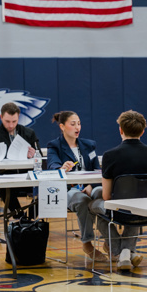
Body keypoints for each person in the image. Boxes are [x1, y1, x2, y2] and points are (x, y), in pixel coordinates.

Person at [92, 110, 147, 270]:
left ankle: (120, 251)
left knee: (93, 205)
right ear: (143, 131)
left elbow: (107, 196)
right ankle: (128, 251)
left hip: (120, 212)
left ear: (121, 130)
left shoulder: (110, 155)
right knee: (136, 201)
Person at [46, 111, 108, 262]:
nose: (77, 127)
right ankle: (87, 243)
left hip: (89, 187)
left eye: (79, 123)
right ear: (62, 126)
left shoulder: (89, 145)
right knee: (81, 200)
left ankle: (109, 240)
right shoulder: (54, 146)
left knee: (102, 193)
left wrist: (90, 185)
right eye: (72, 124)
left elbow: (96, 170)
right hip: (69, 190)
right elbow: (52, 165)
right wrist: (61, 168)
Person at [0, 102, 40, 214]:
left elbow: (38, 157)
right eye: (7, 121)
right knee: (3, 187)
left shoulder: (29, 133)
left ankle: (30, 216)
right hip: (5, 176)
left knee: (45, 187)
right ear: (1, 117)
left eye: (14, 121)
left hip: (26, 175)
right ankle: (19, 216)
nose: (11, 125)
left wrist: (33, 155)